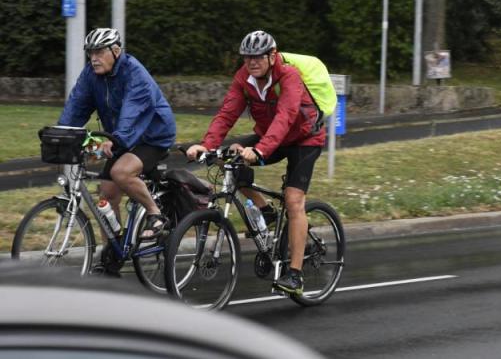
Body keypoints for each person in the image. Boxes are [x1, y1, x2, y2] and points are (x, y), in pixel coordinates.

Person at [186, 30, 325, 295]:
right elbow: (228, 113)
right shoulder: (244, 78)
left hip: (304, 139)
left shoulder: (289, 76)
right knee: (233, 165)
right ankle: (267, 211)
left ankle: (294, 276)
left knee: (294, 200)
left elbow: (286, 116)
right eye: (247, 57)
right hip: (271, 136)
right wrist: (207, 145)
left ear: (272, 56)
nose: (252, 62)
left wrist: (259, 151)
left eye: (258, 57)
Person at [58, 28, 177, 246]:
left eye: (99, 52)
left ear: (116, 51)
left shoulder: (134, 73)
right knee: (107, 191)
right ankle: (112, 251)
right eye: (90, 53)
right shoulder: (90, 76)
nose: (94, 58)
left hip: (152, 136)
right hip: (120, 135)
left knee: (121, 172)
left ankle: (155, 214)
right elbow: (77, 106)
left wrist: (116, 138)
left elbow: (133, 111)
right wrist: (62, 133)